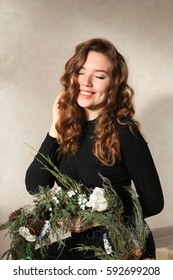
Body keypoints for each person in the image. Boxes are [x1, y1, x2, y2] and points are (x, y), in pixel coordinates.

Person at [25, 38, 164, 260]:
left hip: (124, 245)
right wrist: (54, 126)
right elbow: (35, 186)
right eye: (81, 72)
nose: (86, 82)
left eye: (99, 76)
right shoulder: (67, 129)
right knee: (25, 263)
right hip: (81, 246)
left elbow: (154, 202)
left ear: (113, 85)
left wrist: (99, 218)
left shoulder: (125, 133)